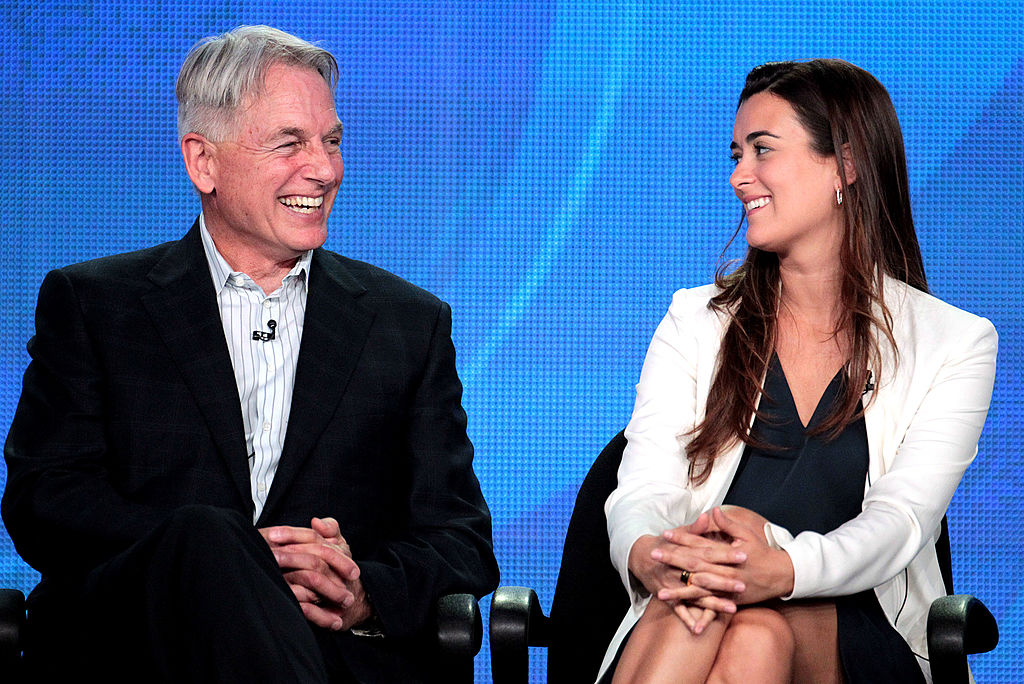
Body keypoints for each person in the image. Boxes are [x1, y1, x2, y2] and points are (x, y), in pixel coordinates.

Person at [2, 25, 498, 683]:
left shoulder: (408, 324)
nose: (324, 169)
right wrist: (225, 561)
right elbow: (45, 502)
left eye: (332, 141)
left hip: (335, 656)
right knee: (205, 535)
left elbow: (459, 540)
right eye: (290, 143)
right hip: (140, 652)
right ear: (202, 161)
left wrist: (360, 591)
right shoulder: (95, 306)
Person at [597, 59, 997, 684]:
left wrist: (779, 569)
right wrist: (654, 552)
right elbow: (644, 488)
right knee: (744, 629)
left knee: (740, 617)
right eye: (736, 155)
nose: (738, 177)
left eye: (762, 150)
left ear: (846, 163)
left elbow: (902, 522)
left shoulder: (955, 341)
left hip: (859, 621)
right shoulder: (694, 321)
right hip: (702, 598)